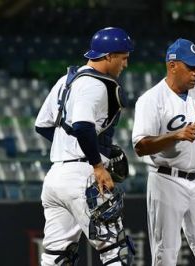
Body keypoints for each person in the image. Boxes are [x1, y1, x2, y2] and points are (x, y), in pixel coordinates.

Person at [35, 27, 135, 265]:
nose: (125, 64)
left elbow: (42, 125)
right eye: (123, 57)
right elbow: (81, 126)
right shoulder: (95, 84)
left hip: (56, 177)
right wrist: (97, 164)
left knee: (57, 255)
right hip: (84, 176)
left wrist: (73, 148)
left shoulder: (66, 81)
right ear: (109, 55)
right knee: (116, 251)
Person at [132, 38, 195, 266]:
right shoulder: (151, 100)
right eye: (190, 66)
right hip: (166, 180)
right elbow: (140, 146)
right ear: (172, 66)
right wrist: (175, 135)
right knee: (166, 252)